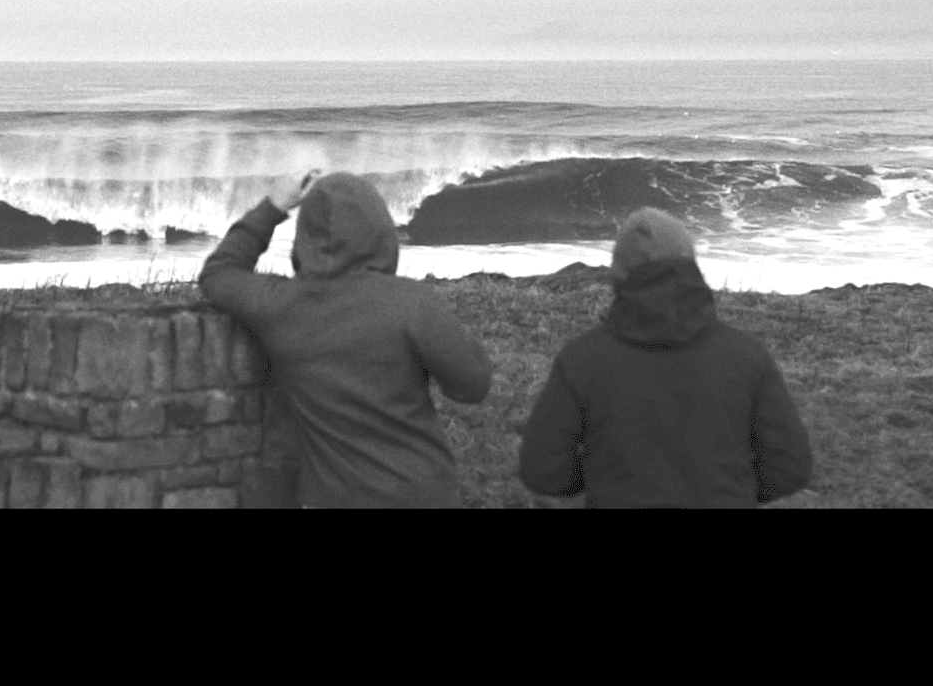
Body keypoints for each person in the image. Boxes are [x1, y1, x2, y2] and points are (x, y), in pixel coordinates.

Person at [200, 170, 494, 508]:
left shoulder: (280, 305)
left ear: (304, 238)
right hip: (421, 495)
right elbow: (473, 385)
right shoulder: (412, 303)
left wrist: (275, 205)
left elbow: (220, 271)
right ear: (380, 232)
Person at [518, 207, 813, 507]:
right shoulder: (747, 356)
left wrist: (604, 476)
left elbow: (542, 470)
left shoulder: (583, 359)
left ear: (618, 274)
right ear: (691, 265)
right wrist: (732, 489)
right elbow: (790, 467)